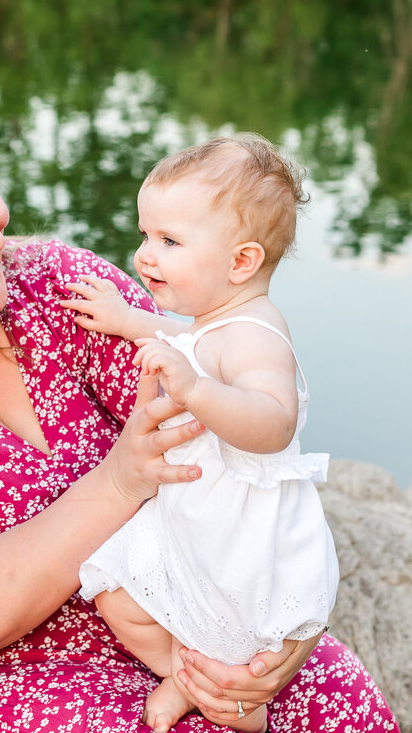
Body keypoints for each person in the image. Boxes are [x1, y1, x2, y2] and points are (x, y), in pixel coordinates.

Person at [0, 103, 399, 733]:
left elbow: (235, 434)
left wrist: (277, 637)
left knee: (329, 689)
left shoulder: (59, 289)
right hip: (7, 673)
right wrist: (120, 480)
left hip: (176, 602)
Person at [70, 136, 338, 733]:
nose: (144, 256)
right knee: (116, 591)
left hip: (238, 535)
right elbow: (178, 334)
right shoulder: (212, 318)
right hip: (192, 516)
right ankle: (192, 677)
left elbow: (274, 422)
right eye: (144, 235)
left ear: (240, 262)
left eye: (168, 241)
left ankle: (229, 695)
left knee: (230, 619)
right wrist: (125, 320)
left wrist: (194, 391)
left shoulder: (258, 333)